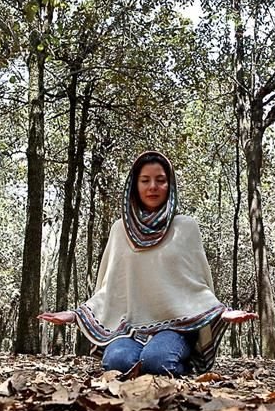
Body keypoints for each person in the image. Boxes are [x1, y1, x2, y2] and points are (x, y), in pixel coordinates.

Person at [39, 151, 256, 376]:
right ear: (134, 185)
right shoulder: (119, 230)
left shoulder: (186, 227)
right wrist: (76, 314)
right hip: (130, 329)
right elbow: (111, 290)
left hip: (177, 326)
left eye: (160, 180)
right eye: (145, 180)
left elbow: (195, 285)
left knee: (157, 361)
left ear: (169, 185)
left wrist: (221, 311)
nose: (152, 186)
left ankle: (182, 363)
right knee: (117, 361)